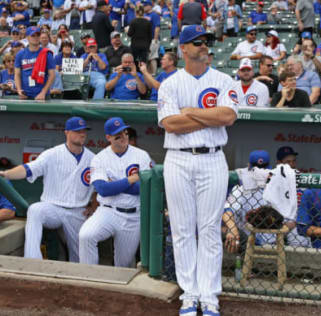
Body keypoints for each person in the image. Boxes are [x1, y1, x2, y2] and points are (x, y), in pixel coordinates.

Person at [157, 25, 238, 316]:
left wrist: (189, 111)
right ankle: (190, 294)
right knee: (181, 229)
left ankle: (210, 295)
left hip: (213, 158)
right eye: (197, 42)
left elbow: (227, 116)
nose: (204, 46)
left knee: (209, 230)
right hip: (177, 159)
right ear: (183, 49)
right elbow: (170, 124)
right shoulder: (170, 83)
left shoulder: (225, 80)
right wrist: (208, 117)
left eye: (206, 42)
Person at [0, 117, 96, 263]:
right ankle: (32, 261)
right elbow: (28, 169)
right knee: (35, 210)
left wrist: (95, 203)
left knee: (81, 259)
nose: (82, 134)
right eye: (77, 131)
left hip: (78, 211)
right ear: (67, 132)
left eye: (84, 131)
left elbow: (99, 186)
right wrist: (6, 174)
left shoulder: (93, 158)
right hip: (53, 207)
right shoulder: (52, 154)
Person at [79, 117, 152, 267]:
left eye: (125, 133)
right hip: (108, 212)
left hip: (133, 215)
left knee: (123, 265)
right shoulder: (99, 158)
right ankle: (89, 277)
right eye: (118, 136)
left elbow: (144, 188)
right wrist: (130, 180)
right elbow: (104, 190)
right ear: (108, 138)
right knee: (86, 235)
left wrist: (116, 184)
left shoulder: (141, 155)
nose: (123, 138)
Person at [15, 26, 56, 100]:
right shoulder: (20, 54)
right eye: (33, 35)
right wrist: (19, 90)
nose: (36, 37)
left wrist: (43, 92)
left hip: (42, 95)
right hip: (25, 95)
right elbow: (17, 74)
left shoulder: (46, 53)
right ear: (27, 37)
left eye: (38, 35)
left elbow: (52, 75)